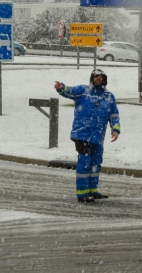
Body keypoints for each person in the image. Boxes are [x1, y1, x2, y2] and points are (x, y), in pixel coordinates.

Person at [54, 69, 120, 203]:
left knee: (96, 163)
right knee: (85, 162)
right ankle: (82, 193)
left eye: (100, 77)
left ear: (104, 79)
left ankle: (92, 190)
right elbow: (70, 91)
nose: (98, 79)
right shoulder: (83, 91)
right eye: (96, 76)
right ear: (92, 78)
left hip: (98, 137)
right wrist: (61, 87)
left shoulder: (109, 96)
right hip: (82, 135)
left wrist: (115, 129)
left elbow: (114, 115)